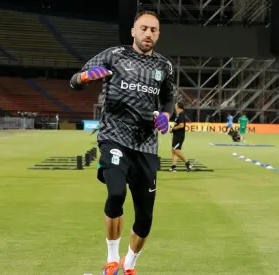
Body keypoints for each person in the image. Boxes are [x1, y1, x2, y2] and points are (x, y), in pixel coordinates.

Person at [69, 10, 175, 275]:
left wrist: (166, 115)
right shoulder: (113, 55)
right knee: (116, 193)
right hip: (114, 136)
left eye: (153, 30)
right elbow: (75, 80)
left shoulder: (164, 66)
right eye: (143, 28)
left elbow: (169, 100)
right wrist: (85, 77)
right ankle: (112, 260)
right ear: (133, 31)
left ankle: (129, 266)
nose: (148, 34)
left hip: (147, 145)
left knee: (145, 218)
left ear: (158, 34)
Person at [168, 102, 192, 172]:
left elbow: (181, 125)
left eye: (175, 105)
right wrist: (173, 130)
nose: (174, 106)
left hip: (179, 136)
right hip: (176, 135)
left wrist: (173, 129)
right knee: (174, 150)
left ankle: (187, 164)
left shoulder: (181, 114)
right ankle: (174, 166)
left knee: (177, 150)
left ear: (178, 107)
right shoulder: (178, 115)